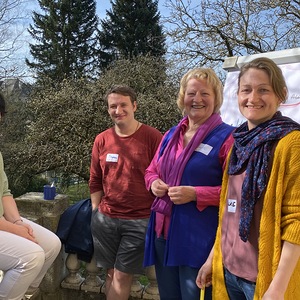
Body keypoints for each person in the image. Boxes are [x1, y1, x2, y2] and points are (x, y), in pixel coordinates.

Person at [196, 57, 300, 300]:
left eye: (263, 89)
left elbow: (296, 222)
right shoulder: (238, 143)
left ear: (281, 94)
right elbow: (227, 212)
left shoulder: (291, 143)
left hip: (263, 279)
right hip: (228, 272)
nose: (253, 98)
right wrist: (213, 259)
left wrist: (278, 287)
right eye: (246, 90)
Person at [143, 68, 235, 300]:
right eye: (191, 93)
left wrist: (195, 194)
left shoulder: (228, 138)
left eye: (205, 94)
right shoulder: (171, 134)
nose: (197, 100)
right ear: (182, 97)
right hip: (162, 232)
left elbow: (235, 193)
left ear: (216, 98)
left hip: (198, 238)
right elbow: (151, 170)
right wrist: (153, 183)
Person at [89, 85, 162, 300]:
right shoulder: (102, 139)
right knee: (111, 274)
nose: (118, 110)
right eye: (113, 106)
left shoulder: (152, 137)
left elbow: (162, 174)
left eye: (123, 104)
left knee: (121, 276)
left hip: (138, 220)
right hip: (106, 219)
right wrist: (96, 211)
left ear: (134, 106)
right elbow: (95, 180)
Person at [0, 92, 61, 300]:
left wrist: (17, 221)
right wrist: (16, 229)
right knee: (32, 256)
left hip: (3, 222)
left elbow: (5, 193)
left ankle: (23, 293)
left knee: (52, 245)